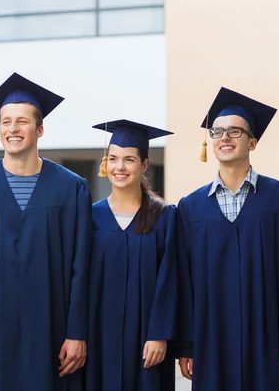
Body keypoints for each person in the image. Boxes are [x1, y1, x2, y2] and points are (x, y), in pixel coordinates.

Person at [0, 72, 92, 391]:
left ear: (40, 129)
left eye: (22, 121)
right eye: (6, 121)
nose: (12, 129)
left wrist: (77, 332)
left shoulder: (71, 189)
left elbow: (82, 267)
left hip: (52, 331)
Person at [176, 87, 279, 391]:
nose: (225, 137)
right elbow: (182, 281)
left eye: (235, 131)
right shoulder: (190, 207)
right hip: (210, 338)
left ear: (252, 142)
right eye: (217, 131)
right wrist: (186, 345)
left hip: (267, 337)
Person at [85, 119, 180, 391]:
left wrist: (160, 334)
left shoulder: (165, 217)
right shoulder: (90, 216)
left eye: (129, 159)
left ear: (144, 165)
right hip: (99, 335)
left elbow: (171, 280)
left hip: (147, 341)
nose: (120, 167)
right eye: (113, 159)